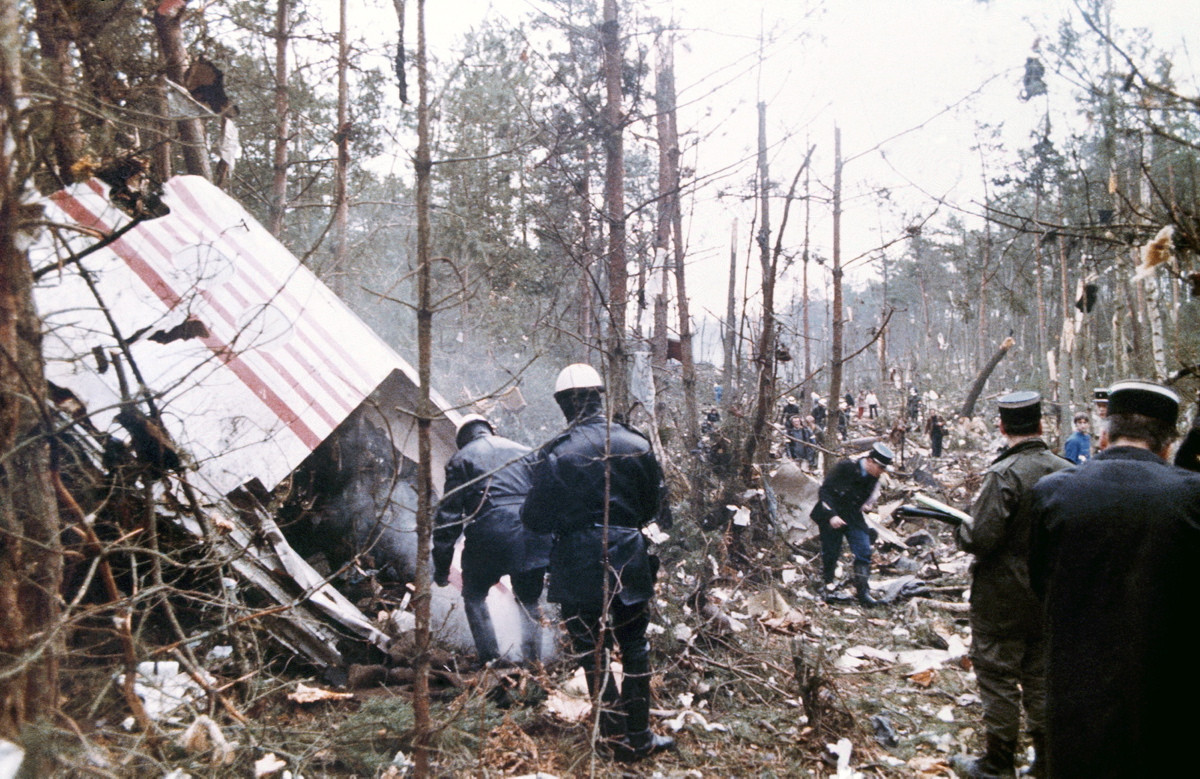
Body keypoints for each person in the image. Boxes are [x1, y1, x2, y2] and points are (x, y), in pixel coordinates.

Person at [1030, 381, 1200, 778]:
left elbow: (1039, 582)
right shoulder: (1192, 497)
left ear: (1104, 434)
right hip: (1166, 686)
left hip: (1076, 683)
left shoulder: (1053, 492)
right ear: (1167, 444)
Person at [521, 364, 675, 761]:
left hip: (576, 558)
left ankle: (610, 734)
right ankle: (639, 737)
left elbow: (534, 518)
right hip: (627, 551)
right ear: (599, 396)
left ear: (563, 405)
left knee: (591, 648)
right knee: (635, 644)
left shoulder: (555, 452)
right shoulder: (635, 442)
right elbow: (656, 507)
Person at [951, 391, 1070, 779]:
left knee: (998, 675)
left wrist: (960, 527)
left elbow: (980, 538)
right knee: (1040, 676)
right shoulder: (1066, 470)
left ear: (1002, 427)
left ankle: (998, 761)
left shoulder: (1004, 474)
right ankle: (1047, 760)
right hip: (1050, 594)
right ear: (1040, 425)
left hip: (1002, 597)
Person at [433, 414, 552, 667]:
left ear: (461, 439)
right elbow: (546, 498)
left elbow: (448, 520)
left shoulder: (460, 459)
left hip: (488, 537)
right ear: (489, 428)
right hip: (530, 534)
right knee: (529, 599)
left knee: (474, 595)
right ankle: (534, 665)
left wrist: (442, 569)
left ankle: (491, 663)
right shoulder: (524, 451)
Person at [809, 442, 894, 606]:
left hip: (853, 515)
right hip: (831, 512)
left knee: (863, 549)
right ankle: (827, 583)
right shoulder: (845, 467)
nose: (881, 472)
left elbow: (865, 497)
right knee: (831, 550)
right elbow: (824, 491)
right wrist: (832, 515)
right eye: (880, 467)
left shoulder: (874, 478)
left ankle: (863, 594)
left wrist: (865, 505)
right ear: (870, 460)